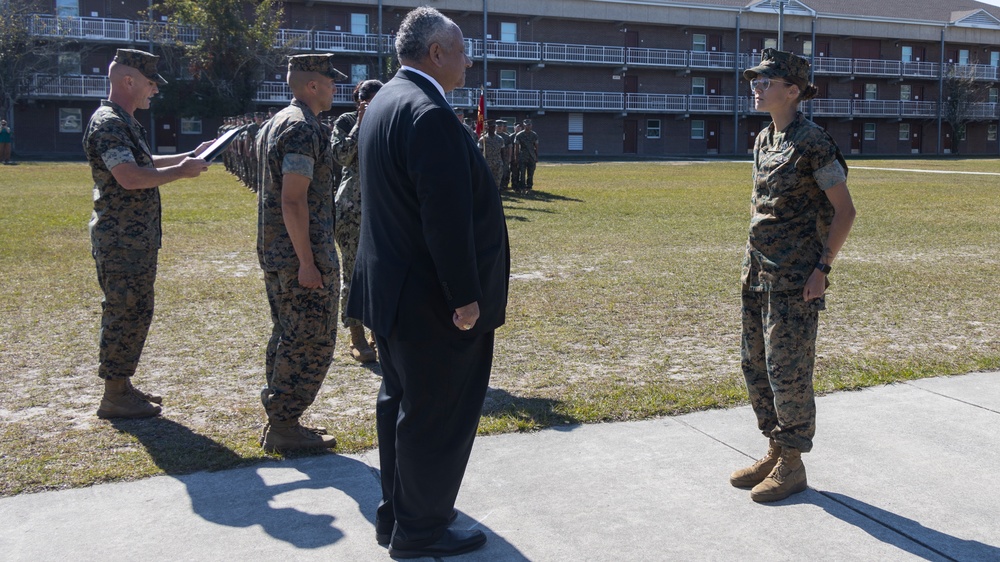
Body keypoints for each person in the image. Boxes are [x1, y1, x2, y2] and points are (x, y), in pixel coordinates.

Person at [347, 7, 509, 559]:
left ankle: (398, 516)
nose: (468, 60)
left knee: (402, 407)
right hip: (432, 303)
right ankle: (422, 530)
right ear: (436, 53)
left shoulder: (386, 101)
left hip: (393, 292)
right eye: (461, 50)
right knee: (436, 419)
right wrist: (465, 296)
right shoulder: (428, 112)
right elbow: (444, 217)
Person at [731, 49, 856, 503]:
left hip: (795, 280)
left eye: (766, 81)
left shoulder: (813, 142)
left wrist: (822, 269)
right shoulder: (766, 138)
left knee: (789, 372)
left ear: (793, 90)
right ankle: (775, 448)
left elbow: (845, 211)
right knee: (757, 366)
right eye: (756, 80)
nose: (757, 87)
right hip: (758, 275)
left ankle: (794, 463)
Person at [83, 49, 212, 419]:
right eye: (151, 82)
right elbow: (129, 176)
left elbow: (144, 162)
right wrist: (182, 173)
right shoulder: (109, 122)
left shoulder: (124, 120)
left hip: (134, 239)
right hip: (121, 239)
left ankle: (122, 385)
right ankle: (113, 396)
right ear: (128, 80)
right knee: (124, 312)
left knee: (136, 311)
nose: (154, 90)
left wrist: (189, 155)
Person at [254, 53, 347, 453]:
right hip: (300, 253)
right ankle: (284, 425)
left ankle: (281, 416)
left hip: (281, 250)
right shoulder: (301, 128)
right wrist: (308, 263)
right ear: (312, 85)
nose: (334, 88)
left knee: (289, 333)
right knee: (310, 339)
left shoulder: (279, 121)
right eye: (329, 82)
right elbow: (293, 200)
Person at [331, 79, 383, 363]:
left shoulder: (389, 120)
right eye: (370, 102)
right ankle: (357, 337)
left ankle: (380, 333)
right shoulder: (346, 120)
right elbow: (341, 155)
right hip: (352, 209)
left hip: (383, 209)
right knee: (353, 274)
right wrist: (360, 123)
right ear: (359, 101)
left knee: (382, 273)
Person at [477, 119, 505, 189]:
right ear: (487, 128)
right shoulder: (483, 139)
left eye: (494, 127)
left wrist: (503, 162)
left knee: (497, 182)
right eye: (491, 127)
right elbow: (479, 152)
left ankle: (496, 196)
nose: (493, 128)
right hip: (487, 163)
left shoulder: (500, 139)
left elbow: (503, 152)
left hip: (498, 164)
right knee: (487, 182)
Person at [514, 118, 538, 191]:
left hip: (531, 156)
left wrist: (536, 156)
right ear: (524, 126)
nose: (528, 127)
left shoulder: (534, 135)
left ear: (531, 125)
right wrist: (516, 158)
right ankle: (522, 187)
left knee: (530, 173)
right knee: (522, 173)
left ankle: (529, 187)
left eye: (529, 125)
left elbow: (536, 146)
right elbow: (517, 147)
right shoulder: (519, 135)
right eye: (526, 125)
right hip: (522, 156)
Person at [495, 119, 512, 190]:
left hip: (504, 157)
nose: (499, 127)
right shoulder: (491, 135)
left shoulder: (506, 136)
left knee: (504, 172)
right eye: (498, 126)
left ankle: (503, 185)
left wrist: (510, 157)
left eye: (501, 126)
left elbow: (510, 147)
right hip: (494, 157)